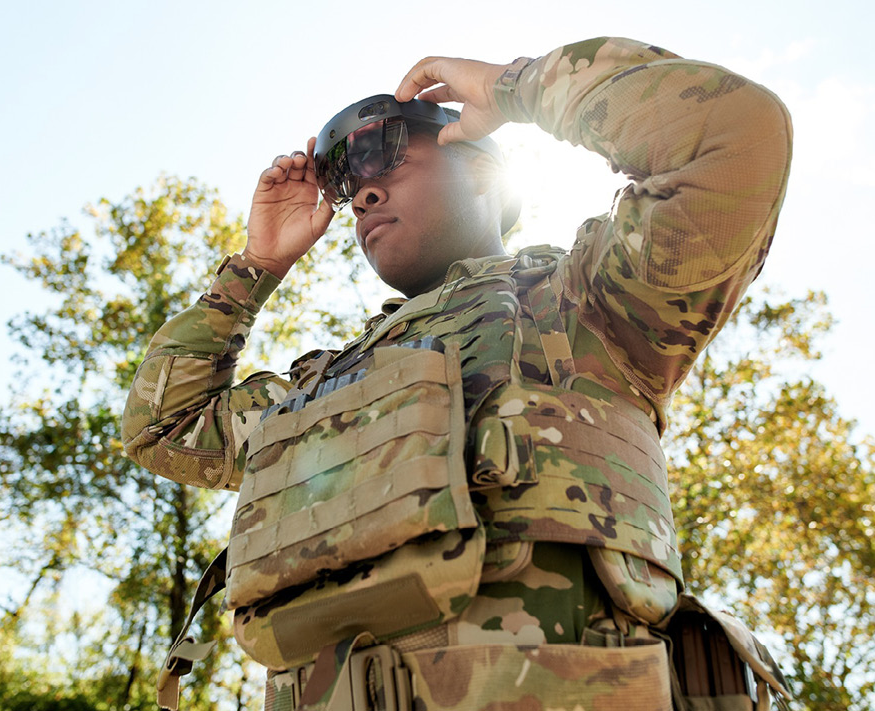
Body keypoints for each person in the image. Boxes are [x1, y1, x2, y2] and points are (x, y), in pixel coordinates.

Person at [124, 36, 794, 711]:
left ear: (480, 172)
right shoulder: (319, 389)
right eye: (350, 186)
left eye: (386, 158)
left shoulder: (584, 304)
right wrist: (254, 267)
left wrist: (512, 87)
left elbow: (733, 135)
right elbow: (163, 426)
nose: (362, 196)